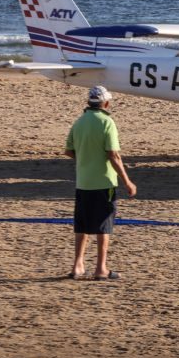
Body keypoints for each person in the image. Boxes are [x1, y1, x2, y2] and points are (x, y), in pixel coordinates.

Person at [64, 85, 136, 280]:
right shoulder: (107, 122)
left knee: (83, 224)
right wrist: (127, 181)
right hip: (104, 182)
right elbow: (113, 155)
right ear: (106, 103)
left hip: (83, 182)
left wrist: (85, 158)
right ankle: (101, 268)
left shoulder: (79, 122)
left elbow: (69, 150)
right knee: (103, 225)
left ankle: (78, 265)